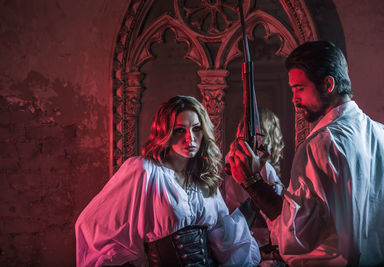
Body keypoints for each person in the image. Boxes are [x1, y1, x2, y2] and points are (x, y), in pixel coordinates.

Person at [228, 41, 384, 266]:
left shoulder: (319, 145)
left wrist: (253, 182)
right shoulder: (380, 134)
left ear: (328, 84)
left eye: (300, 88)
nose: (294, 98)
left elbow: (295, 236)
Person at [75, 95, 261, 266]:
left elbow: (225, 240)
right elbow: (92, 225)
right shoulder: (144, 171)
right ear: (166, 132)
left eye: (196, 129)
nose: (191, 138)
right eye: (180, 130)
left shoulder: (203, 179)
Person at [224, 108, 285, 263]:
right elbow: (278, 216)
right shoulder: (263, 169)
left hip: (235, 241)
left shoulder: (229, 160)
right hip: (252, 244)